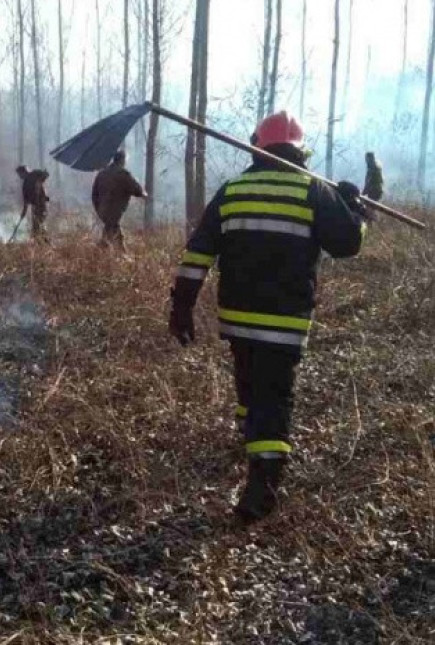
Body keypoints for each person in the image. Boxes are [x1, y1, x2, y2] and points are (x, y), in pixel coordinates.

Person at [167, 111, 367, 524]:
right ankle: (263, 488)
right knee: (273, 399)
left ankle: (251, 440)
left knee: (249, 383)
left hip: (237, 319)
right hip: (285, 323)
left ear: (256, 146)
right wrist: (354, 208)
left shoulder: (232, 190)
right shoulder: (314, 192)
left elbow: (198, 253)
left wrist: (182, 306)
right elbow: (348, 245)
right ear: (300, 151)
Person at [91, 150, 147, 252]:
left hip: (102, 210)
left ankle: (103, 255)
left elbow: (94, 195)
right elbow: (137, 190)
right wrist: (145, 195)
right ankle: (117, 257)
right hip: (114, 212)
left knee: (111, 232)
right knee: (113, 235)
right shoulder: (123, 175)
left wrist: (98, 209)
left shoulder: (102, 174)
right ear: (122, 161)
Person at [16, 165, 51, 242]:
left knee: (40, 225)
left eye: (20, 174)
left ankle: (46, 243)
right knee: (36, 228)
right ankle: (41, 243)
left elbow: (46, 174)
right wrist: (23, 213)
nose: (19, 177)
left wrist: (39, 181)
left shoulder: (35, 174)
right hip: (35, 207)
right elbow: (26, 202)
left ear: (24, 172)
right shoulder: (25, 185)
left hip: (42, 205)